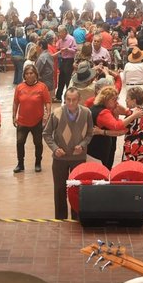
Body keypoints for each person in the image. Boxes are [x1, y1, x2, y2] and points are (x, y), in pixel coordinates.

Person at [43, 88, 94, 220]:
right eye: (68, 100)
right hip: (60, 159)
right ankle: (60, 219)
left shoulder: (86, 113)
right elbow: (46, 134)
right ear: (64, 99)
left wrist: (82, 145)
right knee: (60, 190)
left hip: (78, 158)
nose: (70, 103)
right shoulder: (57, 113)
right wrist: (55, 149)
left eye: (74, 100)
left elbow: (90, 133)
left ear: (79, 100)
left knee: (77, 189)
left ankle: (76, 218)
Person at [12, 65, 51, 174]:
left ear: (36, 75)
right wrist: (14, 116)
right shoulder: (19, 87)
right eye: (27, 73)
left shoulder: (42, 87)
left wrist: (48, 113)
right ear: (24, 75)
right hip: (22, 121)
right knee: (20, 142)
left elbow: (47, 101)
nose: (29, 75)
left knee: (38, 143)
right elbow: (16, 102)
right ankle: (20, 164)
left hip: (37, 121)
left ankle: (38, 163)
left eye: (31, 73)